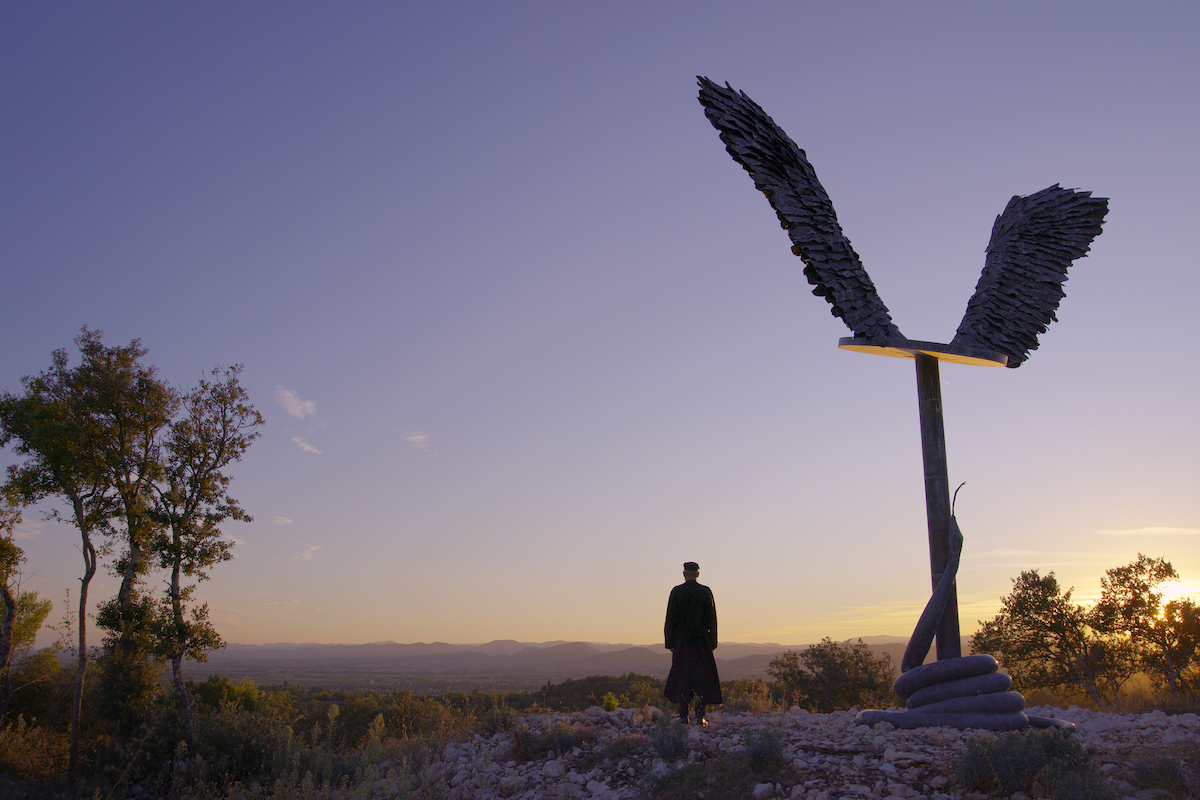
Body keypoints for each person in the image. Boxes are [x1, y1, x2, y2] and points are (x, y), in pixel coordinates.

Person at [663, 561, 722, 725]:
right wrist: (712, 642)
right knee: (701, 677)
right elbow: (712, 619)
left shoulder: (677, 592)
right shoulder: (705, 592)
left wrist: (670, 642)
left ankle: (683, 716)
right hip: (701, 641)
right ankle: (700, 716)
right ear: (697, 574)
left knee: (683, 676)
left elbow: (670, 619)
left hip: (682, 642)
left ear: (684, 574)